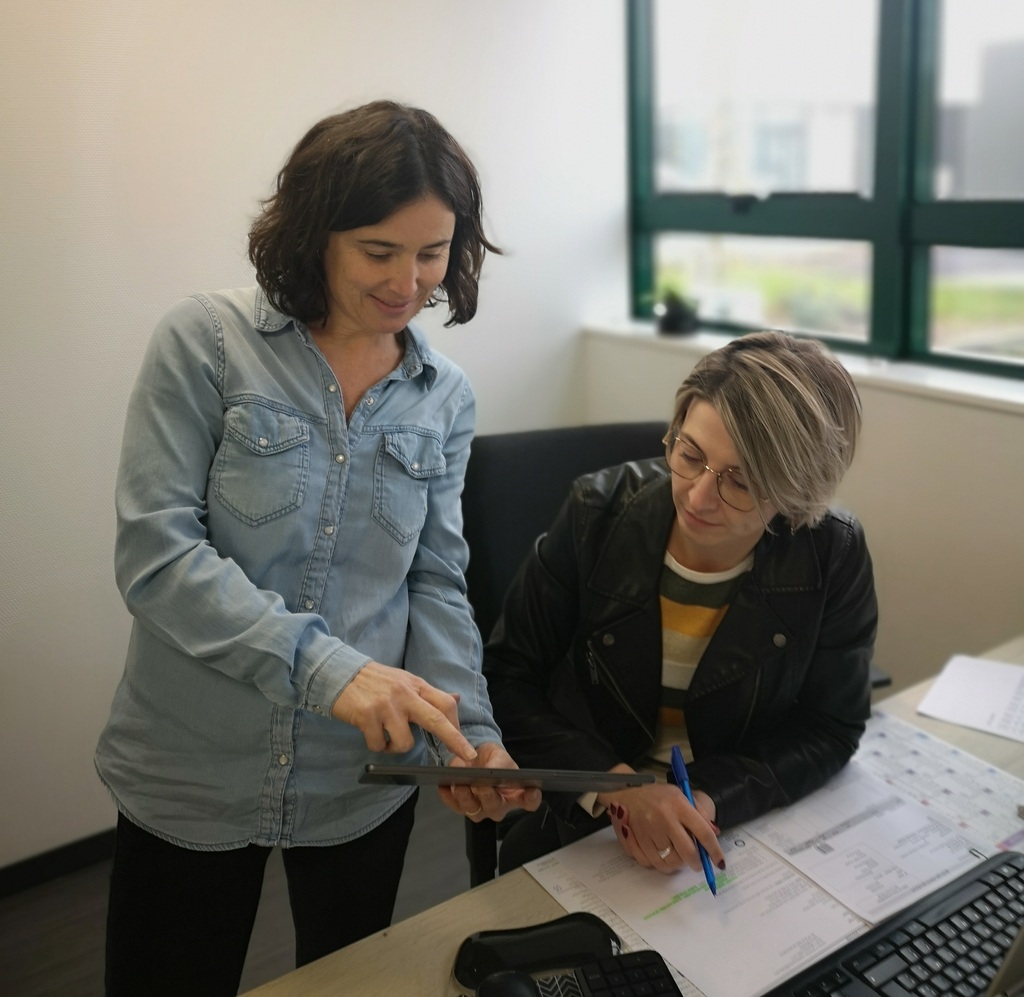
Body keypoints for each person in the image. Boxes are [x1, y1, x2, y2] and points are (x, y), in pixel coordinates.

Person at [94, 100, 538, 996]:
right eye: (379, 251)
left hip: (358, 781)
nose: (409, 281)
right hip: (194, 765)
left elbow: (435, 580)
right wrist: (328, 669)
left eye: (433, 252)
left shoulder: (443, 395)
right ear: (312, 234)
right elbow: (156, 555)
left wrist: (470, 735)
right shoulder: (207, 343)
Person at [483, 331, 877, 878]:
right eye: (690, 454)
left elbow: (832, 725)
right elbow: (506, 676)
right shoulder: (595, 512)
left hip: (730, 820)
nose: (697, 496)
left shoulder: (833, 550)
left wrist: (713, 796)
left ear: (795, 493)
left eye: (739, 482)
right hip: (587, 812)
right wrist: (620, 788)